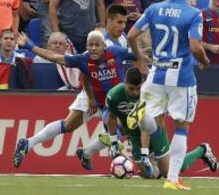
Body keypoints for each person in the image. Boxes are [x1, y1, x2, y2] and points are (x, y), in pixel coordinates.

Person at [127, 0, 210, 190]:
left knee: (153, 118)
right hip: (181, 76)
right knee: (181, 126)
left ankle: (143, 116)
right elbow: (194, 46)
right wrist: (204, 59)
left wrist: (140, 56)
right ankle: (173, 179)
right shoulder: (193, 13)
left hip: (156, 72)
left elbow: (131, 34)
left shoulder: (155, 8)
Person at [12, 30, 136, 168]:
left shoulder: (116, 52)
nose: (93, 48)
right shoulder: (83, 59)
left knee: (123, 126)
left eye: (97, 45)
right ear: (87, 46)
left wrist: (160, 57)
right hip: (91, 96)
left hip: (111, 102)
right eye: (90, 45)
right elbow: (54, 57)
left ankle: (87, 153)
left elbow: (139, 54)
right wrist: (29, 46)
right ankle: (28, 143)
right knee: (68, 125)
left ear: (104, 46)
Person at [79, 67, 217, 178]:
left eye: (138, 88)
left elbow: (145, 127)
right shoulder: (114, 95)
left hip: (155, 131)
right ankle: (154, 164)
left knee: (167, 171)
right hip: (133, 135)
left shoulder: (148, 94)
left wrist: (145, 153)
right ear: (125, 83)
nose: (135, 92)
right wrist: (114, 142)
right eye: (131, 88)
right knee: (148, 175)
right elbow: (112, 118)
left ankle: (202, 150)